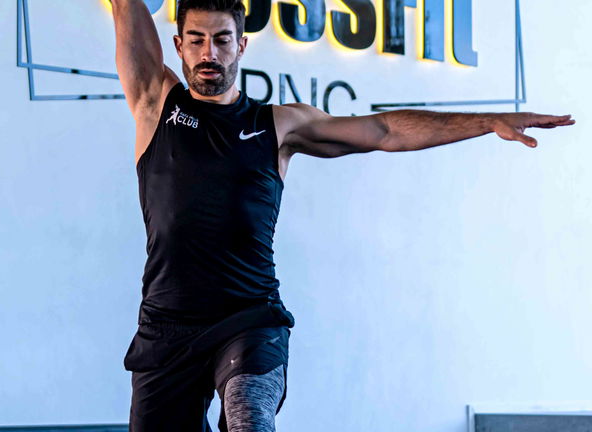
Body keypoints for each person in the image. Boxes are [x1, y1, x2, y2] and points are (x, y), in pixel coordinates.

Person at [109, 0, 574, 430]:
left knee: (248, 417)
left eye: (222, 39)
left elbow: (384, 130)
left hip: (249, 319)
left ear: (242, 45)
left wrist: (485, 122)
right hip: (167, 325)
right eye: (196, 40)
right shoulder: (155, 105)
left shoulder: (278, 125)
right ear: (179, 45)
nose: (209, 52)